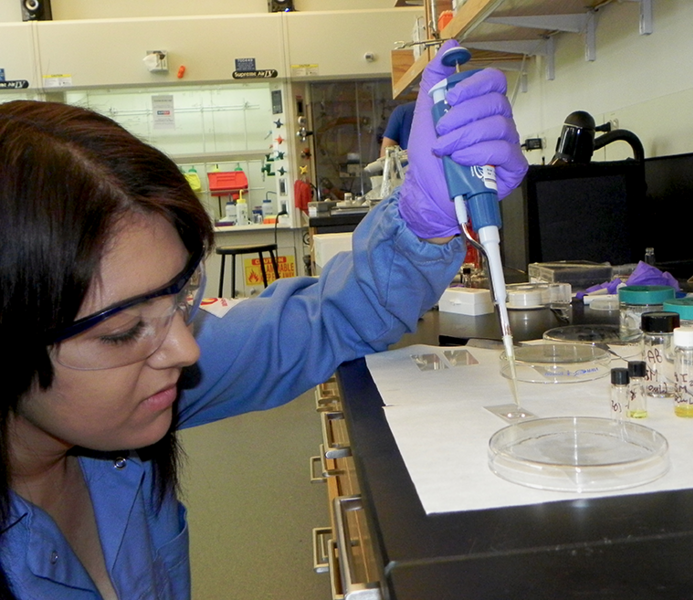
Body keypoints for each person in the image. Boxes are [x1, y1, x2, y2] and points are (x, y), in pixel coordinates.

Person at [0, 40, 527, 599]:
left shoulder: (126, 399)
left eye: (181, 297)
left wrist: (425, 220)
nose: (186, 350)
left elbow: (328, 319)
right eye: (125, 330)